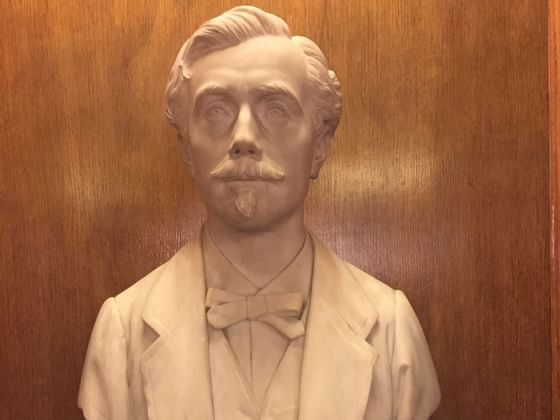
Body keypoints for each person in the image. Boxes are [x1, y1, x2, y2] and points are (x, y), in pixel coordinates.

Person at [78, 6, 440, 420]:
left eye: (275, 109)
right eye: (217, 110)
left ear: (319, 146)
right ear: (186, 149)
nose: (244, 137)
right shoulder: (122, 332)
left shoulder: (391, 331)